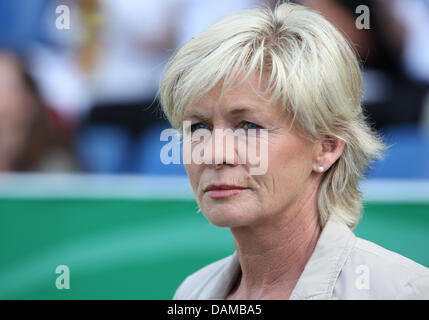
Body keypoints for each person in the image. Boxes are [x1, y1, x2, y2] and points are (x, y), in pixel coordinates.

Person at [159, 3, 429, 299]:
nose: (213, 154)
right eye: (198, 127)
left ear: (327, 146)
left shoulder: (400, 291)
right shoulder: (192, 293)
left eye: (249, 126)